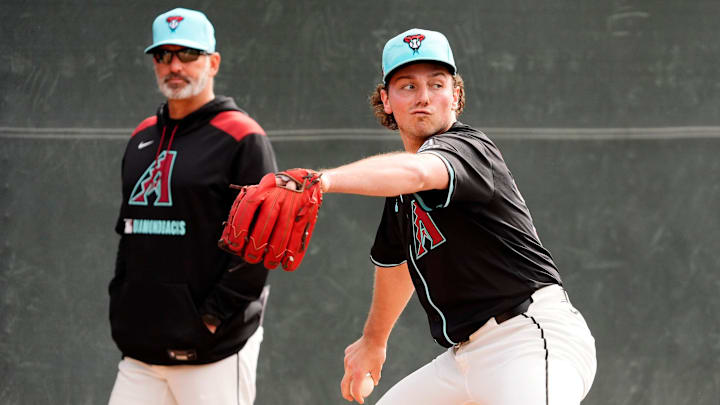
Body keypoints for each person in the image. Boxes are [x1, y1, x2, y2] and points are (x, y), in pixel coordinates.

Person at [310, 28, 596, 404]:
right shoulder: (399, 196)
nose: (424, 97)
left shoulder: (468, 148)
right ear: (387, 100)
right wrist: (373, 340)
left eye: (437, 84)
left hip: (528, 339)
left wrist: (322, 180)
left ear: (456, 96)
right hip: (464, 358)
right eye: (407, 86)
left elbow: (419, 171)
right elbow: (396, 264)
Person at [107, 8, 277, 405]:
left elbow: (259, 246)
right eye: (163, 56)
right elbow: (128, 233)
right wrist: (124, 307)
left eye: (187, 54)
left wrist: (211, 318)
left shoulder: (242, 137)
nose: (174, 66)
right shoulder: (141, 137)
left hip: (213, 354)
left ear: (213, 62)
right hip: (141, 350)